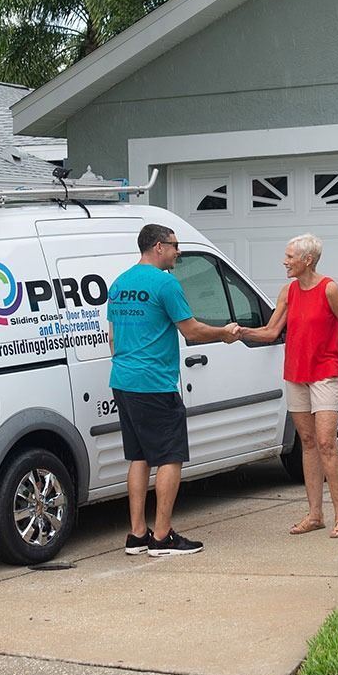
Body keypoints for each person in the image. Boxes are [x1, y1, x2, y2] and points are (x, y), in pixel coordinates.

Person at [107, 223, 240, 556]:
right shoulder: (166, 283)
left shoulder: (119, 283)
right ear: (157, 247)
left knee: (138, 457)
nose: (178, 251)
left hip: (123, 380)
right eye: (174, 245)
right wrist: (224, 332)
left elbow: (112, 337)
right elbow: (191, 331)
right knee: (170, 456)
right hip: (154, 383)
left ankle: (137, 534)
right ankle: (162, 536)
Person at [235, 233, 338, 538]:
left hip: (325, 376)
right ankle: (315, 515)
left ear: (307, 260)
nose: (285, 261)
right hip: (296, 374)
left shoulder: (329, 289)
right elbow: (270, 332)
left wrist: (333, 359)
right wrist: (240, 332)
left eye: (290, 256)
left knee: (326, 443)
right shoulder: (288, 292)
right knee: (306, 442)